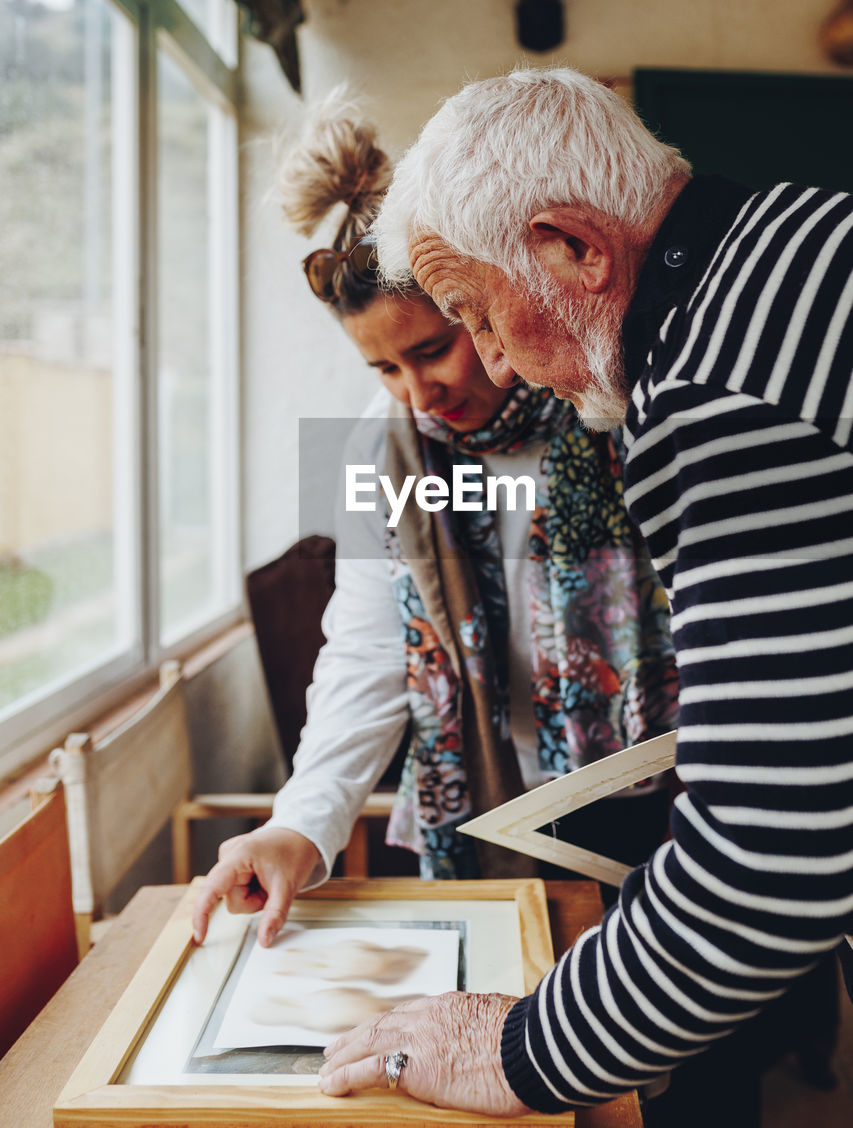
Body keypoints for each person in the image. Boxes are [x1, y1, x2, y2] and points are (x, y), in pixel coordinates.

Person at [316, 68, 852, 1119]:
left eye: (470, 317)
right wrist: (307, 810)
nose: (496, 363)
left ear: (574, 246)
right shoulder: (804, 235)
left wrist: (519, 1051)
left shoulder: (708, 392)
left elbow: (767, 849)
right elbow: (366, 633)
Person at [192, 93, 678, 951]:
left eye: (429, 350)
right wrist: (299, 822)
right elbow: (372, 647)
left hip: (648, 796)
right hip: (487, 807)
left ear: (472, 305)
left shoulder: (612, 402)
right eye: (382, 368)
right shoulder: (368, 453)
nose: (420, 397)